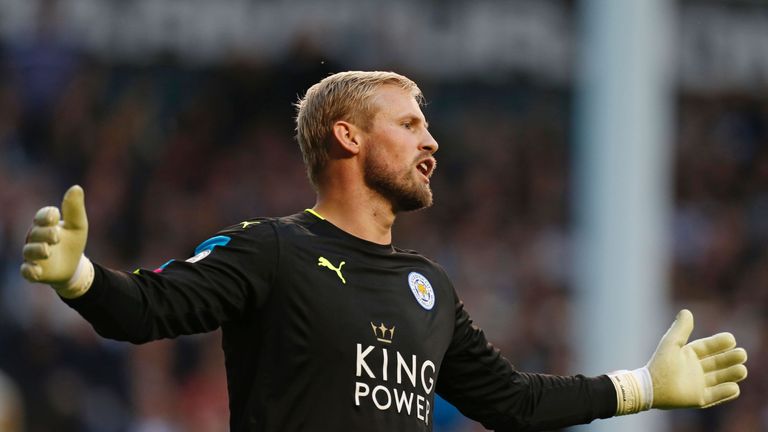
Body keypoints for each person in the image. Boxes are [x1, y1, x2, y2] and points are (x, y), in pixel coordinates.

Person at [20, 71, 748, 431]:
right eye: (408, 123)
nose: (431, 139)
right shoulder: (272, 249)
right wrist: (79, 276)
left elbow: (512, 401)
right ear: (348, 136)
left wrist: (644, 388)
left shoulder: (429, 286)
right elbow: (146, 311)